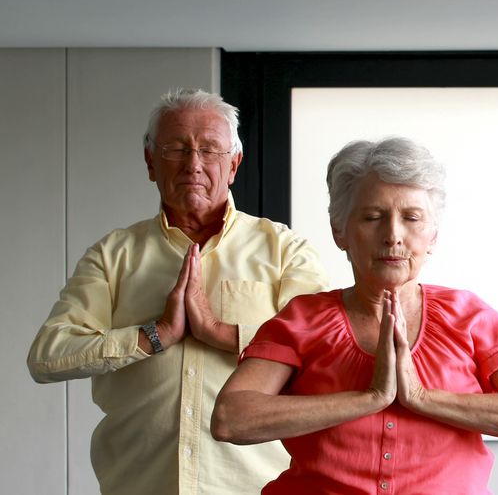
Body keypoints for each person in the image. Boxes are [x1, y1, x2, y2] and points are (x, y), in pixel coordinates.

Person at [210, 137, 498, 494]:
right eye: (373, 217)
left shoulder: (469, 316)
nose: (393, 235)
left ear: (433, 235)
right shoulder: (303, 319)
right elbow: (231, 418)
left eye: (412, 218)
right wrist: (369, 398)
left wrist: (422, 397)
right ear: (340, 231)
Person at [26, 89, 328, 495]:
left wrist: (220, 332)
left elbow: (323, 356)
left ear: (234, 164)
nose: (193, 164)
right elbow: (48, 356)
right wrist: (155, 335)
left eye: (210, 150)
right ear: (151, 163)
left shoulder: (286, 251)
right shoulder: (113, 255)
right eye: (175, 149)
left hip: (256, 487)